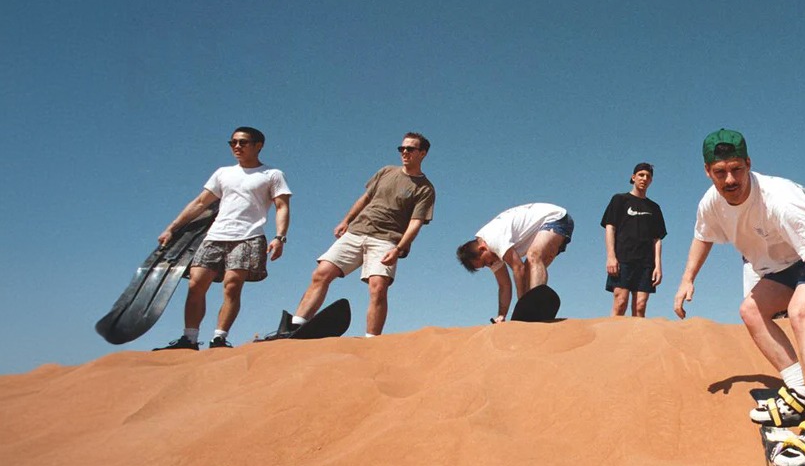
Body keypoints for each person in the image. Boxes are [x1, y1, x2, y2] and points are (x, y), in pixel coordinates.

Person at [674, 129, 805, 466]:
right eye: (720, 172)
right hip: (784, 262)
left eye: (736, 170)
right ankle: (801, 391)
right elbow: (703, 236)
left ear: (748, 165)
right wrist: (687, 279)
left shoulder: (779, 200)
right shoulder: (710, 203)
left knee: (802, 312)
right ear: (707, 172)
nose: (730, 179)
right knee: (750, 311)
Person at [277, 133, 435, 338]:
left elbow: (415, 223)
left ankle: (371, 341)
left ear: (422, 153)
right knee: (321, 273)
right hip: (356, 232)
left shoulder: (425, 189)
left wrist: (398, 248)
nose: (404, 152)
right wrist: (346, 220)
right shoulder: (386, 171)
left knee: (378, 287)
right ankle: (296, 325)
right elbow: (366, 198)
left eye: (410, 149)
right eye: (402, 148)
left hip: (387, 240)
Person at [155, 127, 291, 350]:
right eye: (233, 142)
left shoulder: (272, 174)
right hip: (215, 236)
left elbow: (282, 206)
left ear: (258, 146)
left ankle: (219, 338)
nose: (237, 147)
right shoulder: (223, 173)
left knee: (232, 286)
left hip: (249, 236)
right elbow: (200, 203)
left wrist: (280, 237)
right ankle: (189, 338)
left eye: (243, 142)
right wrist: (172, 228)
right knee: (196, 283)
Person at [457, 203, 574, 322]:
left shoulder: (493, 239)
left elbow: (518, 268)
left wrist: (522, 303)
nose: (490, 265)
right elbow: (504, 285)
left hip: (557, 218)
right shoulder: (491, 255)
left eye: (485, 263)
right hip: (546, 227)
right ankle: (534, 309)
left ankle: (535, 305)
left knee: (533, 255)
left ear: (482, 249)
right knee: (530, 270)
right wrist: (501, 315)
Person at [600, 163, 667, 317]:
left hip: (646, 263)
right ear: (633, 177)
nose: (644, 178)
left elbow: (657, 239)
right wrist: (611, 256)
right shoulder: (620, 199)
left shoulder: (654, 208)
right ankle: (612, 340)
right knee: (620, 301)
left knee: (640, 306)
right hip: (623, 259)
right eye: (641, 175)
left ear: (651, 181)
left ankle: (636, 341)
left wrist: (658, 266)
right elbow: (610, 227)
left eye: (648, 176)